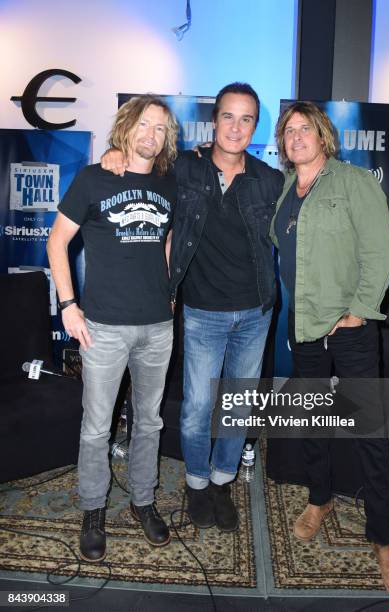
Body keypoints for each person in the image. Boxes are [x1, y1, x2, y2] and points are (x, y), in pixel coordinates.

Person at [102, 83, 284, 532]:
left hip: (255, 312)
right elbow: (142, 162)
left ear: (254, 127)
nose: (236, 127)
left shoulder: (269, 180)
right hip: (202, 311)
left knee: (238, 405)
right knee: (199, 406)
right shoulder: (184, 169)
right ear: (214, 121)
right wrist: (113, 155)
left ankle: (222, 481)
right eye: (228, 116)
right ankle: (197, 484)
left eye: (246, 119)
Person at [271, 101, 389, 596]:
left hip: (350, 328)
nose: (296, 136)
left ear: (324, 135)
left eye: (304, 128)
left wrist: (356, 311)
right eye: (288, 130)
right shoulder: (288, 189)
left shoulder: (353, 182)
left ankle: (382, 535)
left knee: (369, 428)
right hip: (304, 325)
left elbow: (380, 251)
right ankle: (319, 498)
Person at [47, 94, 178, 562]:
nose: (151, 134)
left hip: (157, 328)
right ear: (126, 126)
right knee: (96, 427)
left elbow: (164, 241)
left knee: (151, 421)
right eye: (144, 124)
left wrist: (168, 295)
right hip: (102, 327)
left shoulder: (169, 184)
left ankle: (143, 501)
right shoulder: (93, 177)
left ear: (167, 138)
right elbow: (57, 241)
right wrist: (68, 305)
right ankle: (93, 509)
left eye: (160, 128)